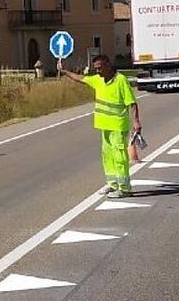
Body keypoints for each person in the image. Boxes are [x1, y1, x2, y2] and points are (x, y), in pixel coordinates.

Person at [60, 54, 142, 198]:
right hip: (104, 125)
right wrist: (65, 71)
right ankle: (112, 184)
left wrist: (135, 121)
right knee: (107, 156)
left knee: (119, 157)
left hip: (118, 125)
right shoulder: (98, 80)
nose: (97, 71)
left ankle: (124, 188)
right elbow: (80, 78)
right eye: (95, 68)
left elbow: (132, 102)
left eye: (99, 68)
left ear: (108, 65)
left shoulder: (120, 80)